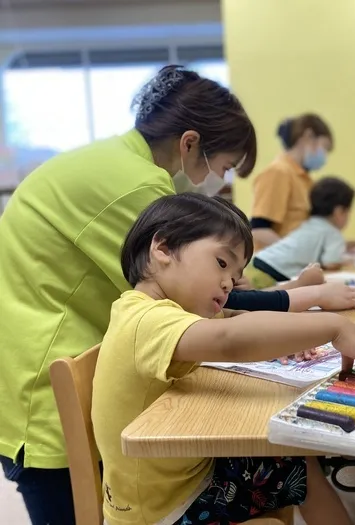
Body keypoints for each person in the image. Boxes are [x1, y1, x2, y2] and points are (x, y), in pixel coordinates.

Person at [0, 65, 257, 524]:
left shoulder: (111, 160)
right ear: (190, 143)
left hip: (35, 358)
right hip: (46, 385)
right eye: (222, 167)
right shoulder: (140, 184)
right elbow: (199, 302)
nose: (219, 179)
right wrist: (296, 303)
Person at [93, 193, 355, 525]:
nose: (228, 283)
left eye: (235, 274)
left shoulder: (165, 310)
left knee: (296, 461)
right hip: (163, 511)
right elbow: (228, 340)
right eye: (222, 263)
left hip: (183, 481)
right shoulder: (145, 318)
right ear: (164, 248)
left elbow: (238, 320)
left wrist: (286, 338)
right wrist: (334, 327)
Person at [247, 177, 355, 289]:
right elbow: (330, 263)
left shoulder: (308, 223)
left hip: (257, 262)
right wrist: (345, 261)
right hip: (269, 274)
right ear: (339, 212)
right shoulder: (333, 233)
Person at [250, 114, 334, 250]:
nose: (324, 156)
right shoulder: (278, 172)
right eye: (324, 147)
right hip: (274, 265)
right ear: (308, 136)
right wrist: (294, 251)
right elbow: (258, 230)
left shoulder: (305, 180)